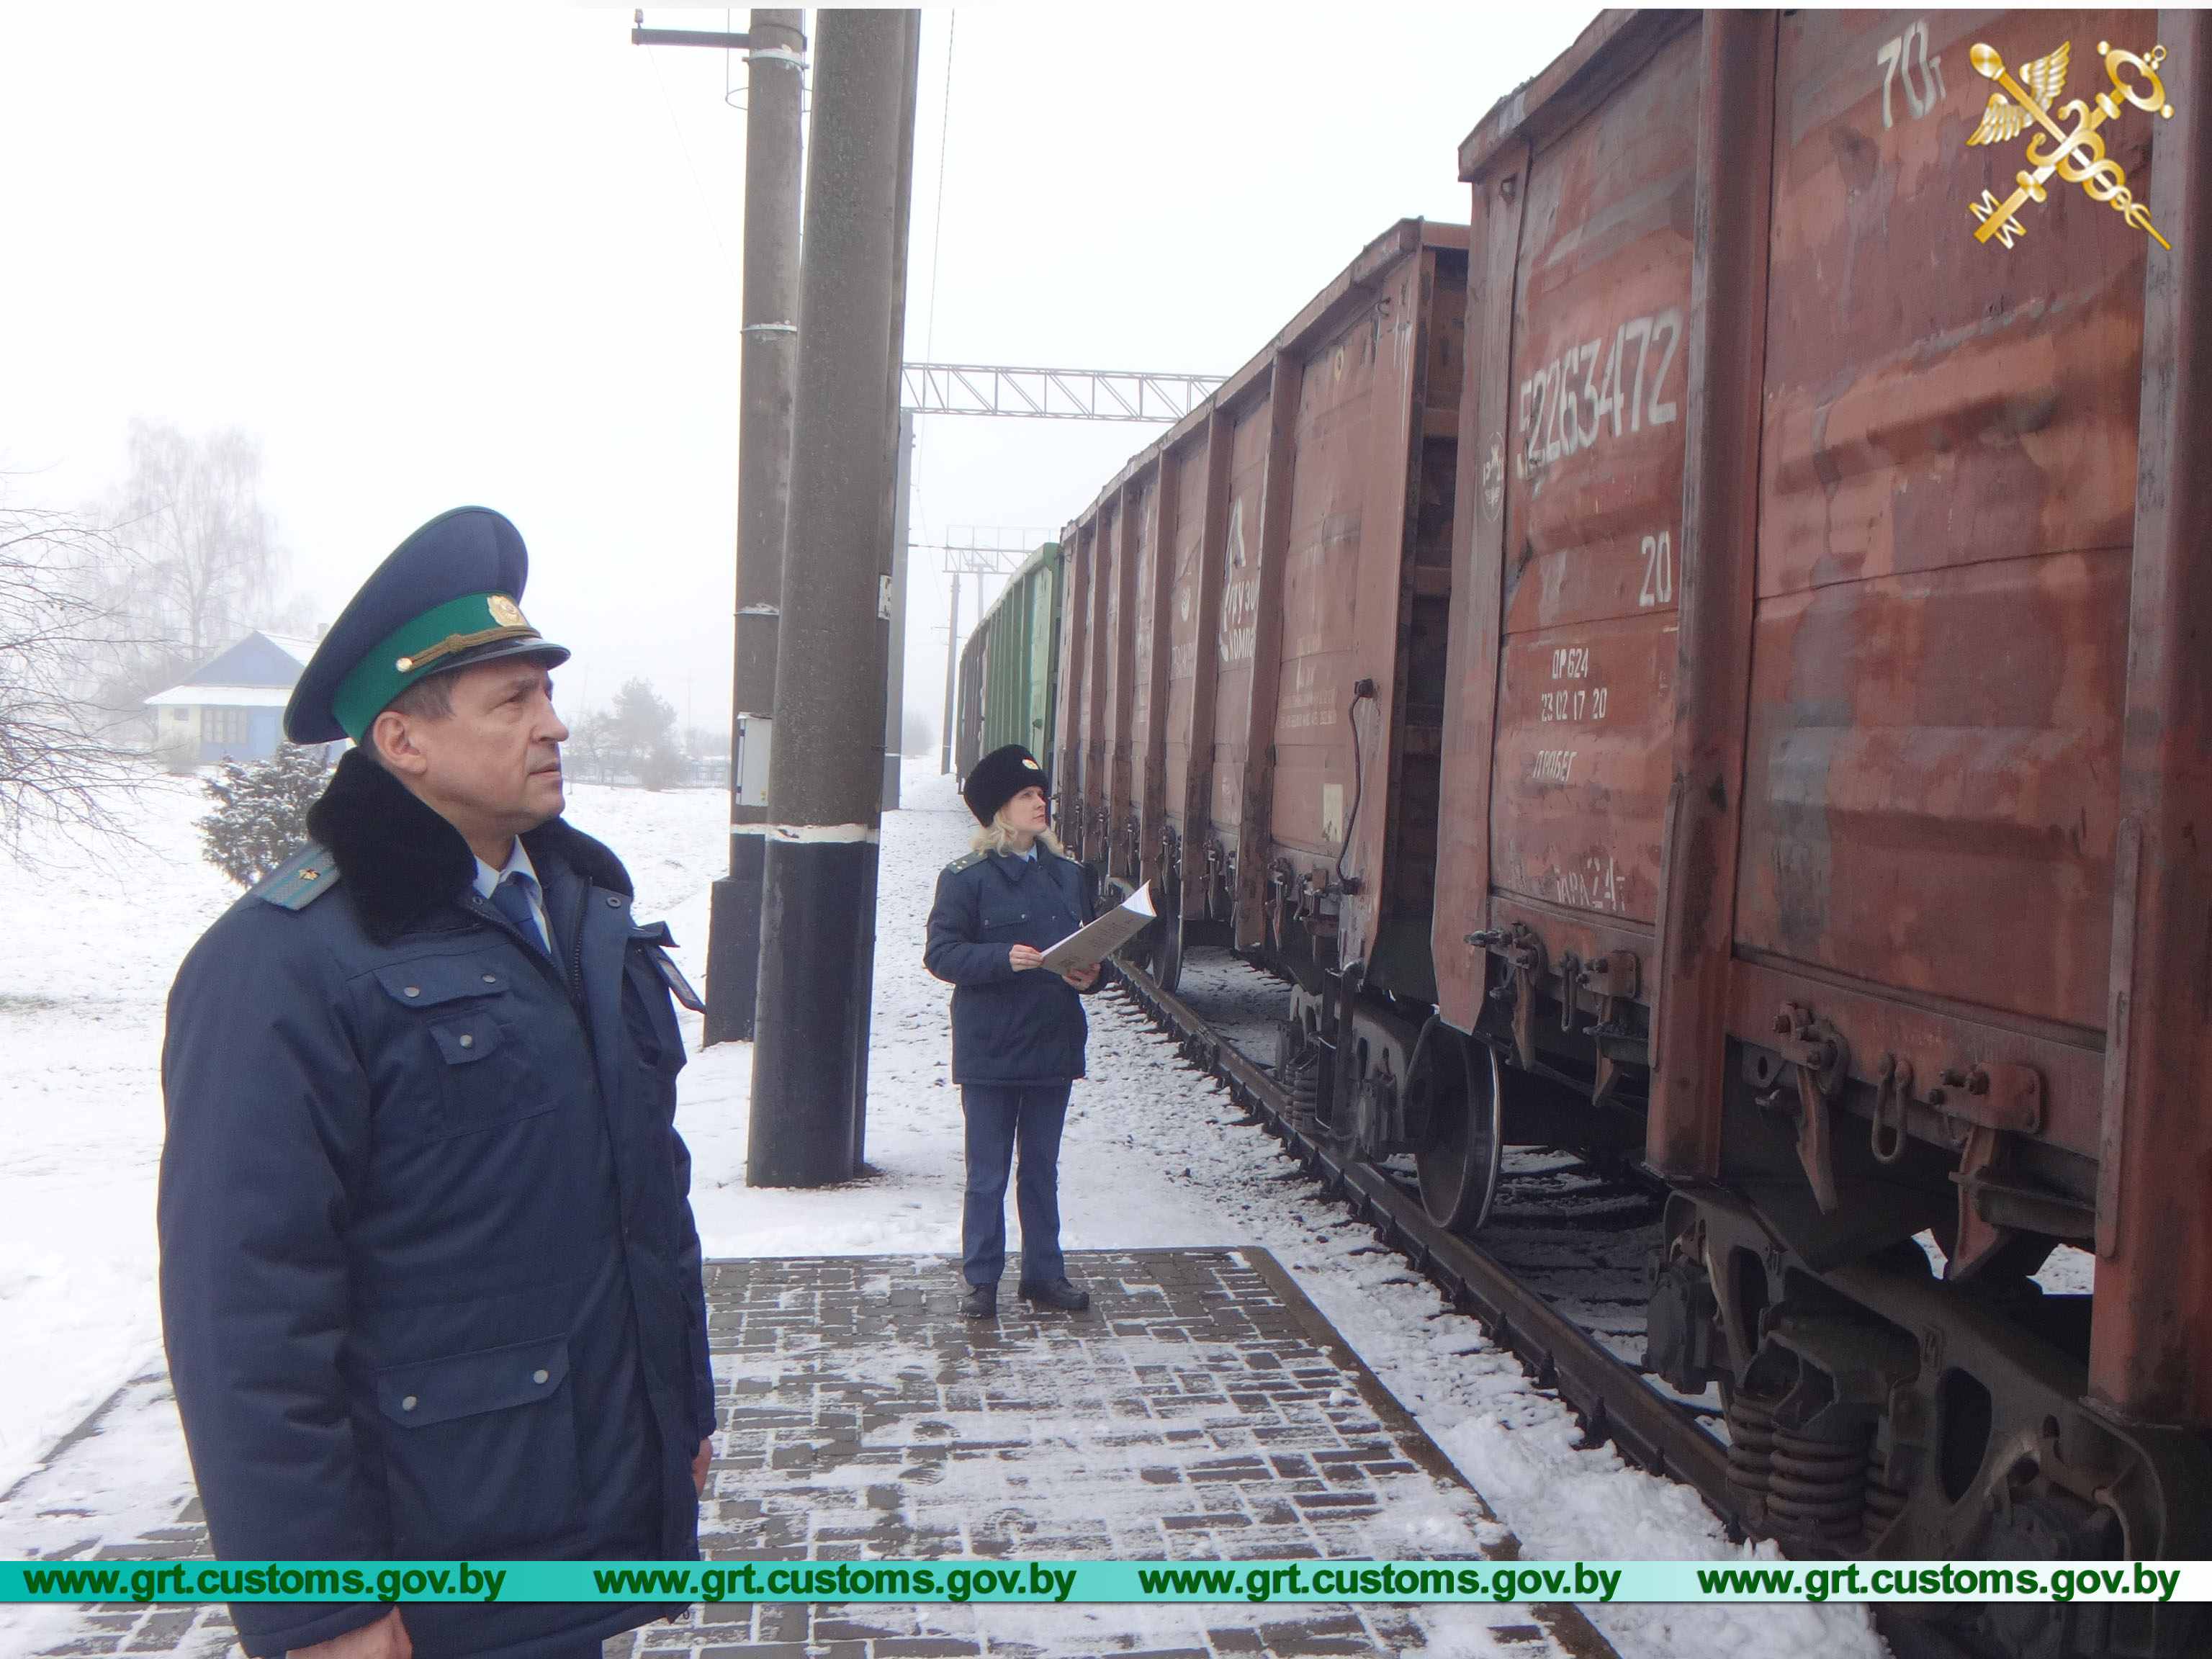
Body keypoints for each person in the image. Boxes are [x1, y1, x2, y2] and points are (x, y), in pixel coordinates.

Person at [157, 507, 715, 1659]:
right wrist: (322, 1603)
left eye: (546, 693)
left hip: (573, 1516)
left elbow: (645, 1194)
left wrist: (678, 1409)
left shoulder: (580, 912)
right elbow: (246, 1310)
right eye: (512, 702)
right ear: (403, 740)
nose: (555, 723)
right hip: (425, 1559)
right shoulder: (283, 962)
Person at [925, 743, 1109, 1321]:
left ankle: (1044, 1275)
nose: (1040, 803)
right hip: (991, 1049)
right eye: (1027, 795)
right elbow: (941, 954)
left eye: (1042, 794)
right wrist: (1002, 958)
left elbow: (1091, 952)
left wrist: (1091, 976)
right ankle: (982, 1281)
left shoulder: (1069, 876)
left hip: (1053, 1042)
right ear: (1000, 809)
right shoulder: (967, 880)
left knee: (1041, 1171)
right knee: (987, 1175)